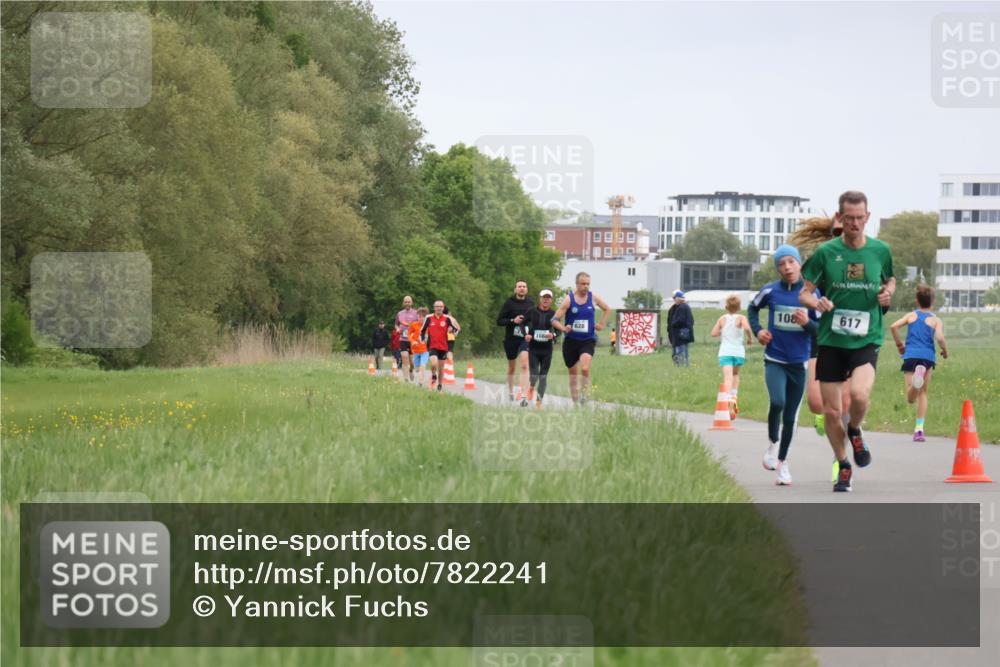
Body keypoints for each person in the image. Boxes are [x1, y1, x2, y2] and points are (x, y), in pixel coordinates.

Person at [800, 190, 895, 493]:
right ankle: (843, 465)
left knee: (859, 396)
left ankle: (854, 429)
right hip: (831, 340)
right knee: (829, 411)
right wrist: (815, 304)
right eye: (849, 218)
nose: (855, 223)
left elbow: (890, 279)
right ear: (840, 218)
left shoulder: (880, 250)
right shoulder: (826, 253)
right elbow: (804, 292)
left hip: (866, 338)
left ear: (867, 217)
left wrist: (888, 292)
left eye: (860, 218)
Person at [748, 245, 818, 486]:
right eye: (781, 264)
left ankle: (783, 463)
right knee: (777, 401)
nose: (787, 267)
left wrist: (808, 323)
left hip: (799, 363)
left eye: (791, 262)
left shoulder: (811, 295)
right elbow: (752, 308)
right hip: (775, 359)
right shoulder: (770, 291)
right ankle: (771, 444)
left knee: (791, 417)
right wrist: (758, 331)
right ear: (777, 268)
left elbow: (821, 331)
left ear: (799, 264)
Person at [890, 284, 949, 442]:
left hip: (910, 355)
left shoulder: (911, 316)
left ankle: (916, 382)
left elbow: (893, 326)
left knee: (910, 398)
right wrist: (945, 351)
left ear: (917, 300)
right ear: (933, 301)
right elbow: (940, 338)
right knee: (923, 393)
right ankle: (919, 430)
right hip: (927, 358)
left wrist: (899, 345)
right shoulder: (935, 320)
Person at [553, 272, 610, 406]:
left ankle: (584, 395)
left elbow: (607, 309)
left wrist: (601, 324)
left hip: (587, 340)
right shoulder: (568, 300)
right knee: (573, 375)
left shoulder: (593, 297)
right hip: (571, 342)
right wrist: (563, 328)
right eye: (583, 284)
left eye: (588, 284)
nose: (586, 287)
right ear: (577, 284)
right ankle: (575, 405)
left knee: (584, 368)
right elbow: (554, 319)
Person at [711, 295, 753, 420]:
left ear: (726, 306)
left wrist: (722, 331)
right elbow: (747, 328)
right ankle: (734, 397)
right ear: (739, 307)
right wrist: (749, 338)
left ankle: (726, 404)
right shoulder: (741, 318)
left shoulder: (722, 319)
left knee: (727, 378)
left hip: (725, 352)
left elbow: (713, 333)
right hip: (738, 352)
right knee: (735, 375)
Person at [496, 280, 535, 403]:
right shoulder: (509, 303)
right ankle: (510, 391)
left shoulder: (530, 303)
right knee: (512, 367)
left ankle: (523, 394)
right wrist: (513, 320)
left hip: (525, 338)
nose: (522, 288)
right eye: (519, 287)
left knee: (524, 364)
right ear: (515, 289)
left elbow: (534, 318)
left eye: (524, 286)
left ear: (527, 289)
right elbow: (499, 321)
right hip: (511, 339)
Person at [523, 288, 558, 408]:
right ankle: (531, 387)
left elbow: (559, 331)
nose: (546, 300)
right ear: (540, 299)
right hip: (533, 348)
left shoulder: (554, 314)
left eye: (548, 298)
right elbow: (522, 323)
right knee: (534, 375)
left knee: (543, 377)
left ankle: (538, 403)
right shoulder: (532, 311)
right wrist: (525, 335)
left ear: (551, 300)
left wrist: (553, 335)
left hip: (547, 349)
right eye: (544, 297)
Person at [420, 300, 460, 393]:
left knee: (441, 369)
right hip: (432, 345)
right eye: (437, 306)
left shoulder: (447, 318)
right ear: (434, 308)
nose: (439, 308)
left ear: (443, 308)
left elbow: (456, 330)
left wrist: (452, 331)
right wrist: (422, 339)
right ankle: (434, 375)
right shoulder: (428, 317)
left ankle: (440, 385)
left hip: (443, 346)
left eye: (441, 307)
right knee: (434, 364)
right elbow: (422, 330)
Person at [395, 296, 420, 382]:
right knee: (404, 358)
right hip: (403, 339)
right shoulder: (399, 313)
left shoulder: (416, 313)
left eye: (409, 302)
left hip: (412, 340)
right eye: (405, 302)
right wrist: (398, 329)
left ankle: (411, 370)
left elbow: (420, 324)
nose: (407, 303)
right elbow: (396, 324)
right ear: (403, 303)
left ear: (411, 303)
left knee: (412, 362)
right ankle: (405, 379)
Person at [667, 290, 694, 367]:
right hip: (683, 333)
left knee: (680, 351)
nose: (674, 299)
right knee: (682, 351)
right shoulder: (684, 307)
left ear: (678, 298)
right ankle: (683, 366)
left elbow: (680, 320)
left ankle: (681, 367)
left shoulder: (681, 307)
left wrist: (673, 324)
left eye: (675, 298)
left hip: (679, 333)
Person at [406, 307, 430, 386]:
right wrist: (413, 341)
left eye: (422, 317)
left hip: (425, 350)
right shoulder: (414, 324)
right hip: (415, 350)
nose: (420, 318)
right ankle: (412, 370)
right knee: (417, 369)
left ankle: (420, 382)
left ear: (425, 317)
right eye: (419, 316)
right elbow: (409, 334)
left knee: (423, 366)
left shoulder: (428, 326)